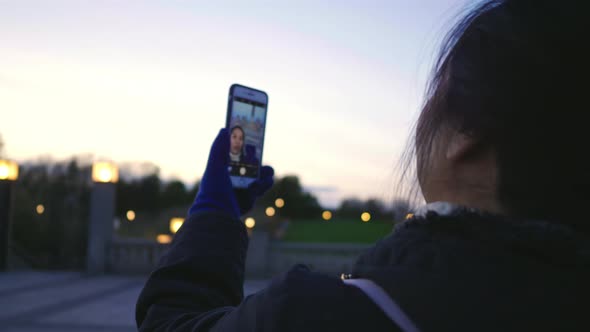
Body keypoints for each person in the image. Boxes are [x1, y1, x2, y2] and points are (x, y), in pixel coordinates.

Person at [136, 0, 590, 330]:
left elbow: (169, 323)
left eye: (436, 94)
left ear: (466, 136)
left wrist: (215, 212)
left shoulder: (319, 316)